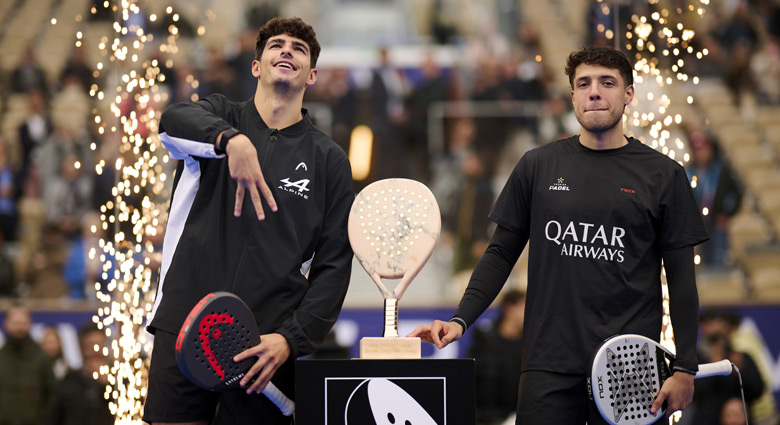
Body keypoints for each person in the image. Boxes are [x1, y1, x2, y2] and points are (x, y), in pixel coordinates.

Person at [409, 46, 708, 424]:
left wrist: (685, 368)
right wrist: (460, 320)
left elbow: (682, 278)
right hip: (547, 364)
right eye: (583, 83)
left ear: (628, 94)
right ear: (572, 96)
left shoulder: (664, 175)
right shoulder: (538, 165)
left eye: (607, 83)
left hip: (629, 366)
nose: (594, 92)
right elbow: (501, 252)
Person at [142, 17, 354, 425]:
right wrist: (229, 140)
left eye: (299, 48)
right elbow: (171, 121)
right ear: (256, 66)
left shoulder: (330, 161)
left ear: (311, 75)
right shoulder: (218, 117)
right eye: (276, 45)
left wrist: (289, 341)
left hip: (263, 347)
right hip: (185, 326)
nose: (287, 50)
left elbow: (334, 267)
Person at [469, 289, 526, 425]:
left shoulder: (531, 345)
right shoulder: (484, 342)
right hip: (485, 419)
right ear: (509, 308)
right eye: (525, 306)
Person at [0, 305, 58, 425]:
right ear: (6, 324)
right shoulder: (1, 357)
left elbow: (52, 395)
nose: (19, 327)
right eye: (15, 323)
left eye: (23, 322)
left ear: (30, 324)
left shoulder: (42, 357)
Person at [47, 323, 113, 425]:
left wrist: (107, 385)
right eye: (91, 346)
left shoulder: (120, 380)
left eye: (101, 345)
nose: (97, 351)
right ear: (81, 350)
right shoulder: (69, 380)